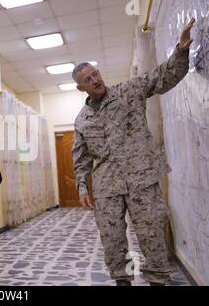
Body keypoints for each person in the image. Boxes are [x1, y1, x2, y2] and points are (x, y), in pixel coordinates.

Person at [71, 18, 195, 286]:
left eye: (96, 74)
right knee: (112, 241)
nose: (95, 80)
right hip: (107, 188)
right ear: (80, 88)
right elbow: (80, 159)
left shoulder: (128, 91)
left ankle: (158, 281)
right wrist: (82, 188)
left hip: (142, 180)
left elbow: (162, 76)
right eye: (88, 79)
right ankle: (122, 282)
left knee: (151, 235)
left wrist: (181, 49)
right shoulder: (81, 120)